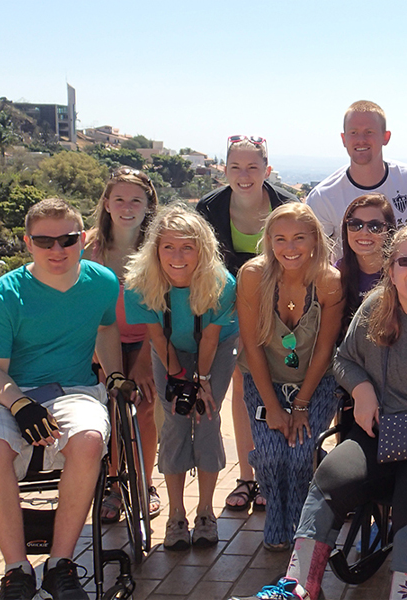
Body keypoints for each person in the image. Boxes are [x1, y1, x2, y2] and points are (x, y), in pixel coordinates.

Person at [244, 224, 407, 600]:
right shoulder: (376, 308)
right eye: (406, 261)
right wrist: (362, 388)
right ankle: (298, 585)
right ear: (390, 270)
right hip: (384, 433)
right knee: (331, 478)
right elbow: (345, 359)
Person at [0, 198, 125, 600]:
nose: (57, 250)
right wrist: (20, 404)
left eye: (67, 239)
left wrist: (115, 375)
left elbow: (105, 329)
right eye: (44, 241)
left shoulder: (102, 282)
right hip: (5, 391)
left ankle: (60, 564)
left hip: (74, 388)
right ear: (27, 243)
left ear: (82, 239)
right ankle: (16, 569)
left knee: (89, 440)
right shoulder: (3, 295)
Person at [123, 204, 239, 551]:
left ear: (202, 250)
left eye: (187, 247)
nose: (177, 256)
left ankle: (206, 511)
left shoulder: (222, 283)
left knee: (206, 417)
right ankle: (177, 515)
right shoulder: (140, 283)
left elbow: (211, 338)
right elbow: (157, 338)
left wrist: (201, 381)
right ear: (155, 249)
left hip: (215, 349)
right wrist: (177, 379)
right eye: (168, 247)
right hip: (169, 348)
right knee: (173, 422)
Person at [197, 135, 298, 513]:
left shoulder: (287, 206)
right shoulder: (209, 208)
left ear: (267, 171)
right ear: (224, 170)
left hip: (279, 300)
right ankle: (248, 477)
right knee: (244, 383)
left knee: (281, 382)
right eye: (235, 167)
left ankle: (280, 470)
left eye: (253, 167)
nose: (244, 175)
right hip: (228, 303)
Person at [236, 203, 344, 552]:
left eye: (299, 237)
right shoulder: (253, 276)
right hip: (263, 379)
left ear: (315, 238)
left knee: (299, 457)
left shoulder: (328, 281)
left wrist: (299, 405)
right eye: (280, 239)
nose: (290, 248)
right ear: (268, 241)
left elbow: (325, 349)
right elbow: (252, 348)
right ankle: (279, 522)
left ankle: (301, 533)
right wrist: (273, 406)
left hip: (315, 383)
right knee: (269, 457)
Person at [85, 166, 160, 522]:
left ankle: (144, 484)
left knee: (144, 409)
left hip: (148, 341)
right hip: (102, 342)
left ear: (149, 205)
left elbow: (162, 309)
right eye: (119, 199)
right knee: (111, 412)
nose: (127, 207)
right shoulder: (88, 248)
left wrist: (146, 360)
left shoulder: (159, 249)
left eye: (136, 200)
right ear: (106, 203)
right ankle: (115, 486)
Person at [306, 100, 407, 250]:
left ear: (386, 137)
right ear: (344, 139)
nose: (361, 140)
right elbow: (317, 259)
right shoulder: (323, 197)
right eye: (353, 133)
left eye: (369, 132)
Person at [336, 193, 395, 332]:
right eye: (355, 224)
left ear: (389, 231)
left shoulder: (402, 274)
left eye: (375, 226)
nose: (364, 232)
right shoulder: (336, 275)